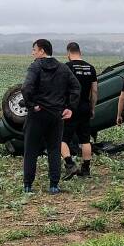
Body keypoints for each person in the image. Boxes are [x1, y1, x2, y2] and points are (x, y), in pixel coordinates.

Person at [21, 39, 80, 193]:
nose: (33, 53)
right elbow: (76, 87)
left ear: (42, 51)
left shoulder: (35, 66)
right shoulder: (62, 68)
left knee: (31, 150)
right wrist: (70, 108)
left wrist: (31, 105)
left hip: (37, 114)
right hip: (56, 115)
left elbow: (26, 87)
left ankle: (28, 185)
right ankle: (54, 185)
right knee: (54, 149)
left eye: (34, 49)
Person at [61, 42, 98, 180]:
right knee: (85, 140)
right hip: (85, 107)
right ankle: (86, 170)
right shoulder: (91, 68)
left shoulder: (67, 67)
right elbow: (94, 91)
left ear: (69, 53)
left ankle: (70, 165)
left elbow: (61, 88)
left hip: (70, 107)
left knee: (62, 139)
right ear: (80, 51)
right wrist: (92, 107)